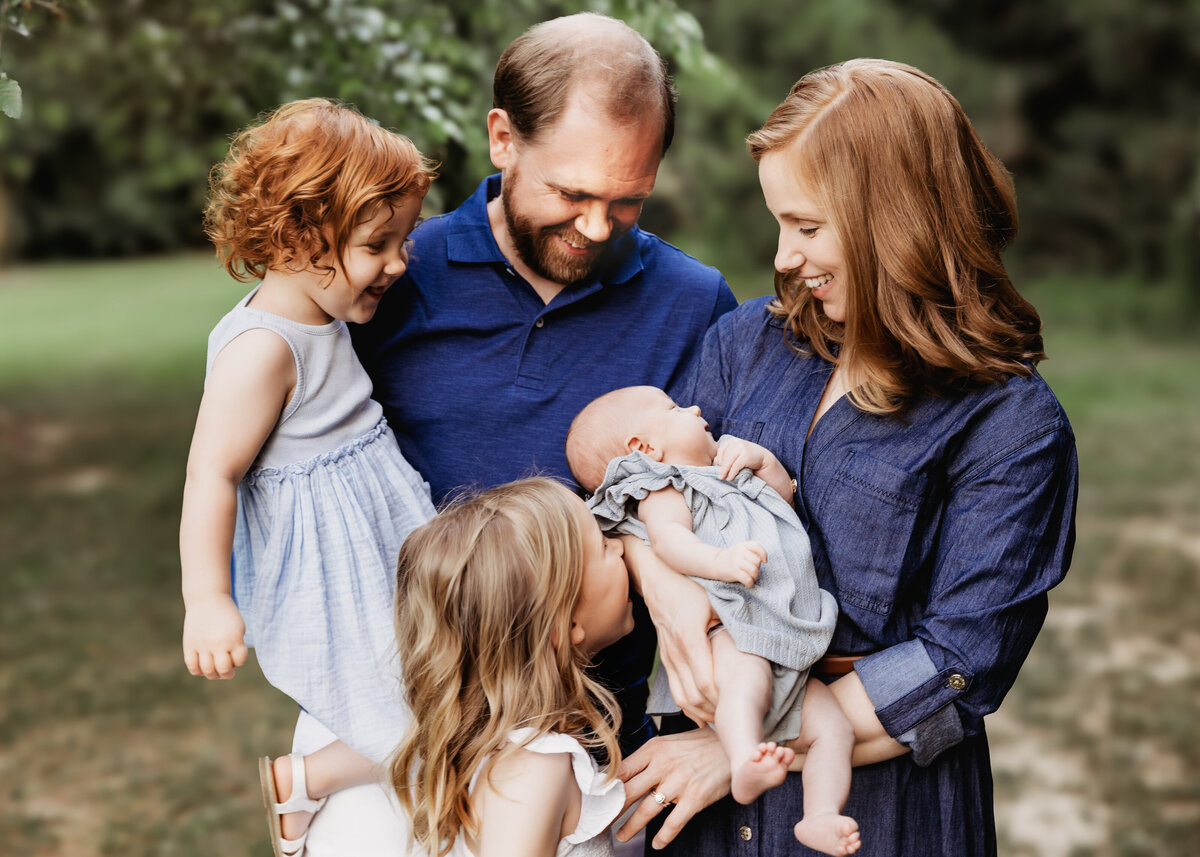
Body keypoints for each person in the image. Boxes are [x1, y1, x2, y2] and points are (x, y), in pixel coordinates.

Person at [612, 59, 1079, 856]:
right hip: (710, 793)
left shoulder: (1010, 424)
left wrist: (730, 754)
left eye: (808, 226)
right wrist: (664, 582)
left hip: (876, 804)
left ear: (891, 220)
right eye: (779, 225)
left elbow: (957, 662)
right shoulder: (746, 343)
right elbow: (648, 491)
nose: (785, 258)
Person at [300, 14, 737, 856]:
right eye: (572, 194)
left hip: (598, 761)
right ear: (502, 138)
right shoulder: (393, 277)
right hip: (400, 737)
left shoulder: (695, 303)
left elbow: (734, 525)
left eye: (628, 199)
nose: (599, 227)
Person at [179, 98, 437, 857]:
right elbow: (210, 474)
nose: (396, 263)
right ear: (297, 237)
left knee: (454, 693)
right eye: (377, 244)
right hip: (338, 569)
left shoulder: (323, 312)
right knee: (421, 715)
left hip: (380, 534)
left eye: (404, 240)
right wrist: (208, 599)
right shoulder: (261, 351)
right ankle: (306, 778)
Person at [567, 386, 859, 855]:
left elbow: (782, 503)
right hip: (732, 630)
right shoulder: (666, 487)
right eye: (674, 409)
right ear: (645, 450)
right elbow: (669, 542)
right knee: (747, 681)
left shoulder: (725, 473)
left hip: (783, 644)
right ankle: (742, 755)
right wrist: (720, 563)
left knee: (835, 728)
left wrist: (763, 462)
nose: (695, 408)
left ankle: (820, 813)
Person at [390, 478, 637, 857]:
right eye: (603, 547)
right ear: (565, 625)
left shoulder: (518, 749)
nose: (621, 546)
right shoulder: (535, 768)